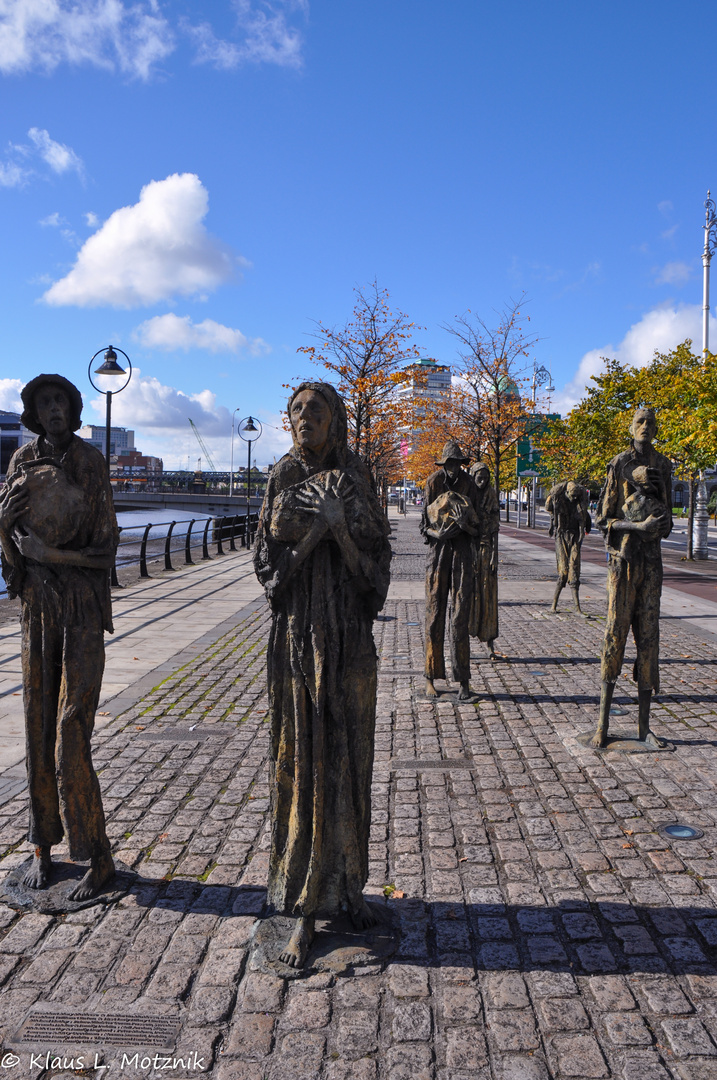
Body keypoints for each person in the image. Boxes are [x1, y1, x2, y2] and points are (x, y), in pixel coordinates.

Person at [253, 381, 391, 968]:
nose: (306, 417)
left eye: (318, 409)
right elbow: (269, 573)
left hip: (349, 641)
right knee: (303, 760)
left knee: (350, 758)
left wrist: (342, 529)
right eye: (298, 410)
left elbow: (377, 573)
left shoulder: (359, 475)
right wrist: (318, 530)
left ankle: (349, 885)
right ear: (288, 421)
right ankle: (303, 902)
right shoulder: (282, 476)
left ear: (336, 420)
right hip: (298, 641)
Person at [0, 375, 118, 901]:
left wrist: (54, 557)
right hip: (37, 609)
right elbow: (14, 566)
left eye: (60, 402)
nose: (53, 410)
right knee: (36, 723)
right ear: (33, 412)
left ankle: (96, 854)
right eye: (43, 403)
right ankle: (42, 848)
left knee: (73, 728)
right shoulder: (21, 464)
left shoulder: (90, 464)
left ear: (73, 409)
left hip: (81, 609)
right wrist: (2, 529)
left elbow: (105, 552)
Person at [591, 407, 672, 749]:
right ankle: (602, 724)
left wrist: (661, 524)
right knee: (615, 635)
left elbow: (666, 518)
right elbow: (602, 520)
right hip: (623, 564)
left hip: (651, 564)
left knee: (649, 637)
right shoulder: (619, 463)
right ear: (631, 426)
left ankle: (643, 727)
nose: (645, 427)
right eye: (640, 421)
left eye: (651, 422)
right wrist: (637, 527)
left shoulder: (664, 465)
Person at [421, 440, 480, 700]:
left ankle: (463, 679)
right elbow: (424, 526)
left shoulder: (469, 484)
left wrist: (465, 527)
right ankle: (430, 677)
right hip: (438, 553)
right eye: (450, 464)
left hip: (462, 554)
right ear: (444, 464)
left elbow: (480, 526)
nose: (454, 468)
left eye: (457, 463)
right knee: (435, 614)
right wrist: (439, 533)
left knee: (460, 616)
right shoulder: (433, 482)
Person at [545, 480, 592, 614]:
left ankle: (577, 608)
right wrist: (551, 496)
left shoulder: (579, 503)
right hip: (562, 536)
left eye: (576, 495)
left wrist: (584, 529)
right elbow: (548, 507)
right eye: (572, 495)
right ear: (566, 492)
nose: (574, 498)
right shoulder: (558, 501)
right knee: (563, 572)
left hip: (575, 536)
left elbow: (585, 519)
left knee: (575, 570)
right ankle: (553, 605)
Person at [468, 461, 500, 657]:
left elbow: (495, 528)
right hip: (469, 550)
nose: (482, 481)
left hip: (487, 550)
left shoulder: (492, 496)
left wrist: (495, 554)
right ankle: (464, 640)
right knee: (469, 596)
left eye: (486, 479)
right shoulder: (468, 495)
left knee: (489, 597)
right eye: (479, 478)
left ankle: (490, 643)